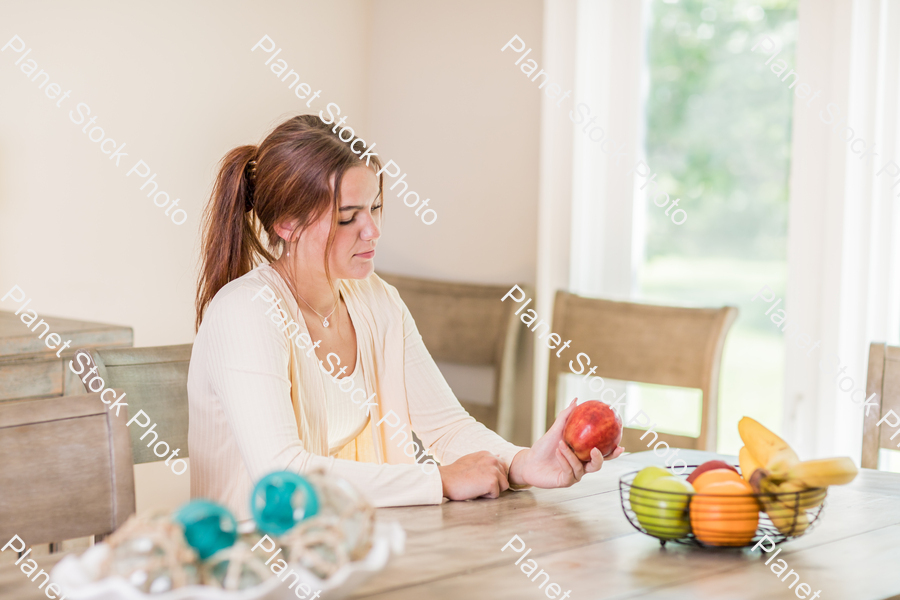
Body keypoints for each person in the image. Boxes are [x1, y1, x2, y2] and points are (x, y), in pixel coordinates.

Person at [189, 115, 623, 520]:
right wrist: (438, 479)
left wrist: (526, 463)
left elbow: (447, 427)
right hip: (252, 567)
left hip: (353, 550)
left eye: (375, 208)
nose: (372, 230)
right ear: (287, 223)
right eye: (348, 217)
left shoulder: (377, 300)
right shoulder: (246, 312)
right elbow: (282, 477)